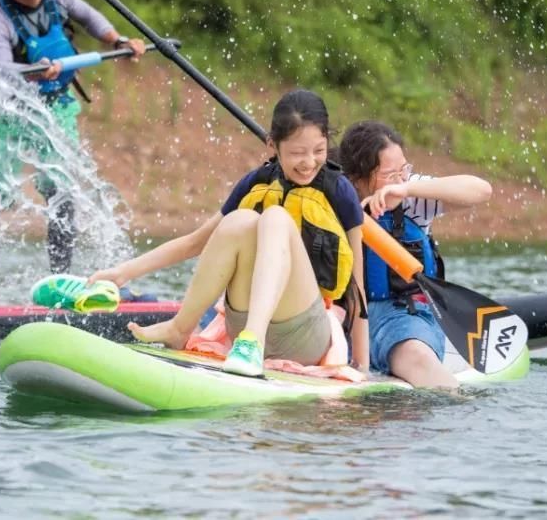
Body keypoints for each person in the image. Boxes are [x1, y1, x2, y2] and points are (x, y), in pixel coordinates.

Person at [88, 90, 369, 377]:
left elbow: (357, 286)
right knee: (240, 220)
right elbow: (194, 243)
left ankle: (253, 342)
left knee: (274, 218)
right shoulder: (256, 181)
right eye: (297, 153)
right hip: (240, 325)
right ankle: (180, 328)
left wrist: (362, 366)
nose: (309, 162)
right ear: (272, 146)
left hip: (305, 332)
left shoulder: (339, 190)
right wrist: (122, 273)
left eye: (319, 150)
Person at [0, 0, 146, 295]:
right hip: (5, 109)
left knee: (62, 190)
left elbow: (90, 17)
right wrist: (34, 69)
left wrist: (118, 41)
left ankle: (59, 283)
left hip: (55, 105)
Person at [338, 120, 492, 388]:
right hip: (344, 317)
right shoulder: (336, 191)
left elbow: (481, 190)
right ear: (358, 179)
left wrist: (406, 188)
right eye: (389, 174)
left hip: (403, 316)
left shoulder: (410, 192)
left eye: (404, 169)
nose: (400, 178)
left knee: (417, 357)